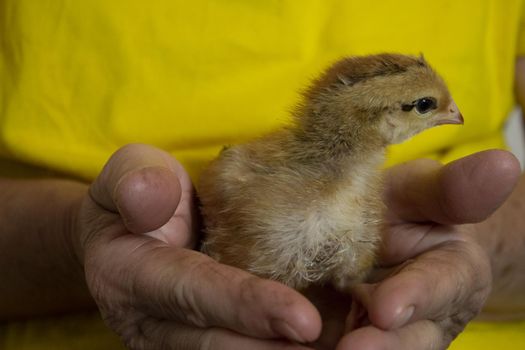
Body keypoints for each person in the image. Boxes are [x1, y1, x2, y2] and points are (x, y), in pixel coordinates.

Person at [1, 1, 525, 349]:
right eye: (431, 106)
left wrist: (470, 239)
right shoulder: (257, 176)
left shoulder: (355, 197)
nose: (454, 115)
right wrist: (77, 240)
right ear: (384, 119)